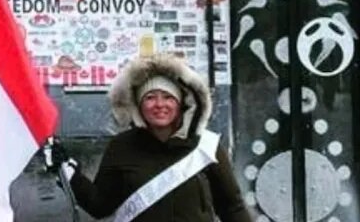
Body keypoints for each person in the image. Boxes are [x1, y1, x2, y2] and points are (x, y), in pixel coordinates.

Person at [46, 53, 254, 222]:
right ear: (138, 106)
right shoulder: (122, 147)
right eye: (150, 97)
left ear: (182, 104)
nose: (159, 105)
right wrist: (69, 173)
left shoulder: (207, 146)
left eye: (168, 97)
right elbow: (100, 205)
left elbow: (232, 207)